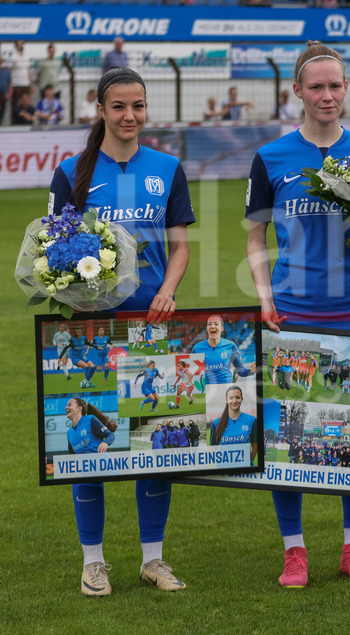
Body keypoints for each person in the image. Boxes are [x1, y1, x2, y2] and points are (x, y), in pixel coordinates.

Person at [47, 66, 193, 596]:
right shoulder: (72, 171)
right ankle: (93, 562)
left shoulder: (167, 167)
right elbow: (53, 252)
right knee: (90, 445)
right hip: (93, 328)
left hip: (151, 326)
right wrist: (79, 295)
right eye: (119, 107)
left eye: (138, 106)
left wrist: (168, 290)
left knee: (153, 444)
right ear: (101, 110)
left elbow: (179, 247)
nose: (129, 116)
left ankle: (152, 559)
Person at [246, 42, 350, 588]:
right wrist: (265, 295)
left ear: (345, 89)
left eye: (335, 86)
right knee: (287, 434)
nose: (326, 95)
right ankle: (294, 551)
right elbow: (256, 233)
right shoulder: (272, 157)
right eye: (316, 87)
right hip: (293, 310)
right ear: (298, 93)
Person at [191, 315, 254, 385]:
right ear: (207, 328)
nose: (212, 326)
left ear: (222, 328)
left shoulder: (230, 346)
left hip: (226, 392)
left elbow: (241, 371)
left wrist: (251, 370)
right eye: (209, 324)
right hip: (206, 393)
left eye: (216, 324)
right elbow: (190, 372)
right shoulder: (197, 348)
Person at [208, 385, 257, 461]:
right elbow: (213, 450)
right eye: (231, 398)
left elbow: (255, 446)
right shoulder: (216, 423)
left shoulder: (251, 420)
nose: (234, 401)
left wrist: (249, 462)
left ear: (242, 399)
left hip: (245, 470)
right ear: (226, 400)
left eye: (237, 397)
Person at [8, 41, 32, 114]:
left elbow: (28, 71)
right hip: (16, 84)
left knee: (26, 104)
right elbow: (9, 70)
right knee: (15, 104)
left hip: (26, 84)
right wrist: (10, 84)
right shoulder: (12, 57)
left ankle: (26, 121)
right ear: (16, 46)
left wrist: (31, 84)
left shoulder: (27, 57)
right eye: (18, 44)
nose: (20, 46)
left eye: (21, 44)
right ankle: (14, 122)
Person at [0, 56, 10, 124]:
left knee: (2, 111)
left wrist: (9, 94)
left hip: (3, 95)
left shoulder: (6, 72)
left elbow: (10, 84)